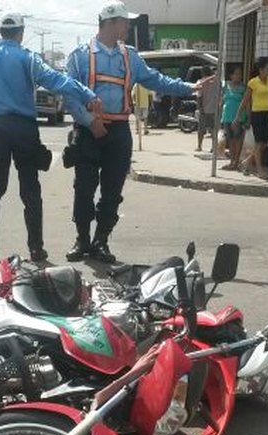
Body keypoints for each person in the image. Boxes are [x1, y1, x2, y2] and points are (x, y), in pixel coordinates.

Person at [62, 1, 210, 263]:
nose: (128, 26)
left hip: (118, 132)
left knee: (112, 191)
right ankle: (82, 240)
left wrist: (190, 87)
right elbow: (70, 95)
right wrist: (89, 121)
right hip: (87, 131)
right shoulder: (79, 55)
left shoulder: (129, 55)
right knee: (83, 188)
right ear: (110, 23)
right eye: (124, 22)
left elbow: (155, 79)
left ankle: (100, 241)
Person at [0, 13, 102, 264]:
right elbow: (56, 81)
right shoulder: (28, 58)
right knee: (30, 190)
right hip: (24, 129)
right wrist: (86, 93)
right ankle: (36, 249)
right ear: (20, 32)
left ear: (0, 33)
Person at [237, 59, 268, 180]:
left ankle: (246, 162)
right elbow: (245, 100)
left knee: (264, 144)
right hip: (257, 114)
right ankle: (259, 170)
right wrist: (238, 115)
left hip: (267, 113)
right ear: (261, 70)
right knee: (258, 143)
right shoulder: (253, 82)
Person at [220, 66, 247, 171]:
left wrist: (248, 118)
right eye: (236, 73)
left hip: (239, 117)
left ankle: (236, 161)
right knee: (230, 139)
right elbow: (222, 101)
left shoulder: (243, 88)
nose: (239, 76)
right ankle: (232, 161)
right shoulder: (226, 87)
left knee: (238, 139)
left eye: (240, 74)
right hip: (227, 116)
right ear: (231, 75)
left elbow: (247, 104)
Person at [196, 66, 219, 152]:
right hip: (214, 109)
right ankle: (213, 147)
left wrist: (199, 108)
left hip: (204, 109)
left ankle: (199, 146)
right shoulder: (217, 82)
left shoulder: (201, 82)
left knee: (201, 129)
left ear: (202, 73)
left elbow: (199, 96)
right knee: (214, 129)